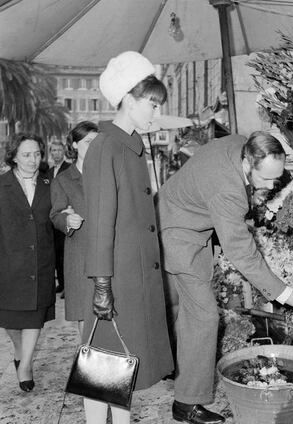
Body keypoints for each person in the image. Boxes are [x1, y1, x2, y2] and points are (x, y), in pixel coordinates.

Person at [157, 131, 293, 424]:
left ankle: (178, 368)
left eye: (277, 178)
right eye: (268, 179)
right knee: (204, 315)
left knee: (192, 314)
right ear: (248, 162)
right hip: (178, 230)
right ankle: (186, 404)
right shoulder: (228, 191)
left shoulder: (246, 143)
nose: (272, 186)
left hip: (191, 216)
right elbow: (243, 256)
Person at [81, 51, 173, 424]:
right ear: (129, 100)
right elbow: (101, 222)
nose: (156, 112)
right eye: (152, 104)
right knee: (103, 368)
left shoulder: (129, 146)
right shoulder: (106, 147)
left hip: (133, 276)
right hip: (117, 276)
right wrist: (102, 283)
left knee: (121, 369)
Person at [0, 133, 55, 392]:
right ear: (13, 157)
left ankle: (25, 366)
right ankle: (21, 350)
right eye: (26, 155)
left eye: (37, 154)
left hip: (39, 262)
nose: (33, 160)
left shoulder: (50, 183)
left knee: (34, 317)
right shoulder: (1, 185)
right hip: (8, 262)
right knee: (10, 319)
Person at [50, 121, 98, 337]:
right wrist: (68, 221)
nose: (94, 147)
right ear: (75, 145)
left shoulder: (109, 175)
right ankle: (88, 365)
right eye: (89, 142)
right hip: (79, 255)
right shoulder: (62, 180)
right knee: (85, 316)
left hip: (111, 253)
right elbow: (55, 215)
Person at [47, 140, 70, 296]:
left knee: (65, 255)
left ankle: (68, 287)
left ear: (64, 152)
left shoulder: (69, 169)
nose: (56, 153)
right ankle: (61, 284)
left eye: (59, 150)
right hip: (51, 219)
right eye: (53, 150)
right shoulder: (48, 172)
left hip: (65, 215)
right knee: (55, 254)